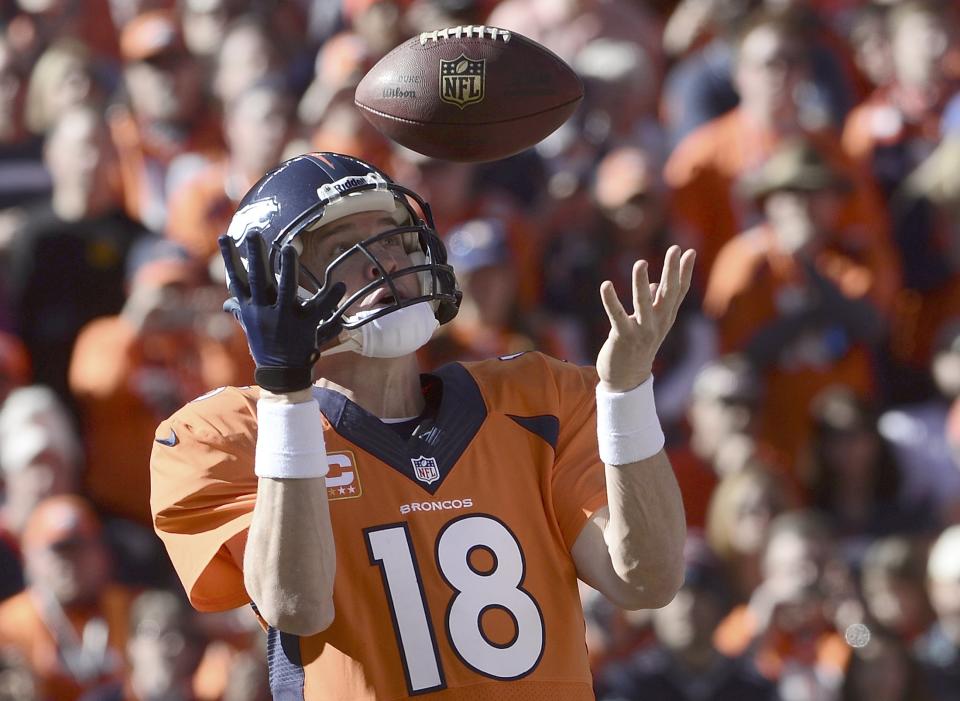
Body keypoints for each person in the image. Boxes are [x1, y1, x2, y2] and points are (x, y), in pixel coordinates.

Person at [150, 151, 694, 700]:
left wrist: (627, 394)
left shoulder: (539, 396)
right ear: (277, 289)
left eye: (390, 238)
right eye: (343, 249)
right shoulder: (223, 435)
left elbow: (645, 578)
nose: (382, 262)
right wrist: (286, 394)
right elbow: (297, 605)